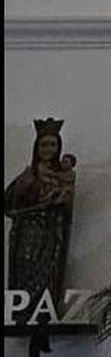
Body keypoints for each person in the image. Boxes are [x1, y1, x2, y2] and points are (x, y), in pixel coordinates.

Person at [4, 119, 77, 316]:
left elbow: (67, 205)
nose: (48, 149)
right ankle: (25, 311)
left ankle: (44, 314)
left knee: (48, 275)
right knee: (26, 267)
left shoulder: (65, 176)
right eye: (44, 144)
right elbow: (9, 203)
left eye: (53, 144)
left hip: (51, 234)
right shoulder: (28, 175)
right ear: (37, 148)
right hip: (28, 235)